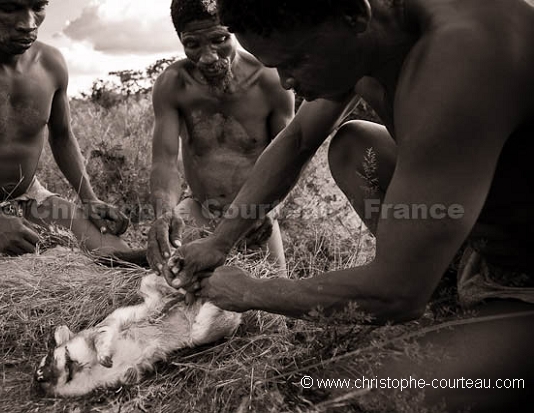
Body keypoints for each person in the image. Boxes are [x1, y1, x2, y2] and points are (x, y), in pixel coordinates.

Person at [164, 0, 534, 410]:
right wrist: (221, 240)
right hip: (480, 246)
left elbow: (397, 292)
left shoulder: (464, 55)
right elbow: (298, 139)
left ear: (356, 15)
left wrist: (252, 291)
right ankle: (441, 285)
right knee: (354, 145)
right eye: (277, 65)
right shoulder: (361, 33)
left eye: (296, 61)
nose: (285, 82)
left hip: (524, 279)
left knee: (337, 394)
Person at [0, 0, 146, 270]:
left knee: (125, 267)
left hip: (33, 200)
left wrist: (89, 198)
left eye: (38, 6)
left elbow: (61, 136)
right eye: (9, 8)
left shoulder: (51, 64)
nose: (28, 23)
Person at [146, 0, 295, 276]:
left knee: (272, 313)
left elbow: (291, 155)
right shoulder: (172, 85)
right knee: (171, 291)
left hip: (255, 219)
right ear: (181, 40)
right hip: (199, 210)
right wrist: (164, 212)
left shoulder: (270, 81)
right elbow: (164, 162)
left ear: (235, 30)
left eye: (219, 39)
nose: (208, 57)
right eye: (192, 44)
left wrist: (269, 210)